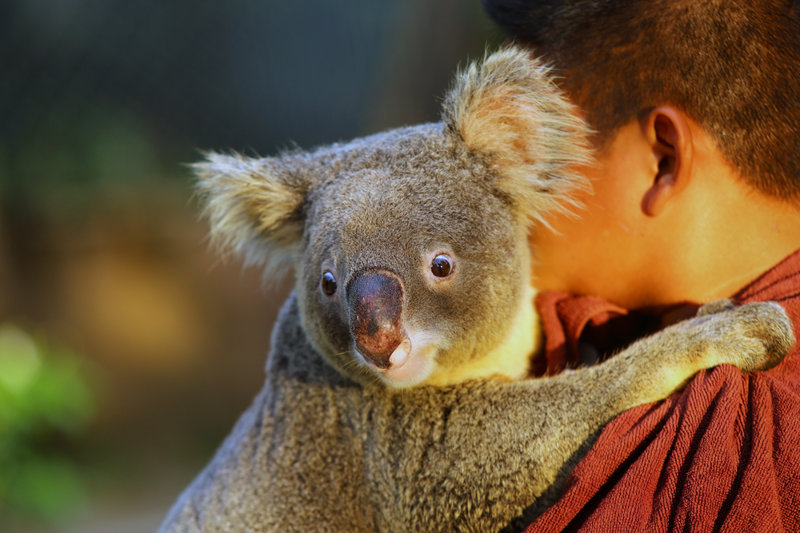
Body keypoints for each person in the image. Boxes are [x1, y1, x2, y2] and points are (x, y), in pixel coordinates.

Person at [482, 0, 800, 530]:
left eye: (525, 141)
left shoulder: (734, 448)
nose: (487, 179)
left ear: (662, 159)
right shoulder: (586, 335)